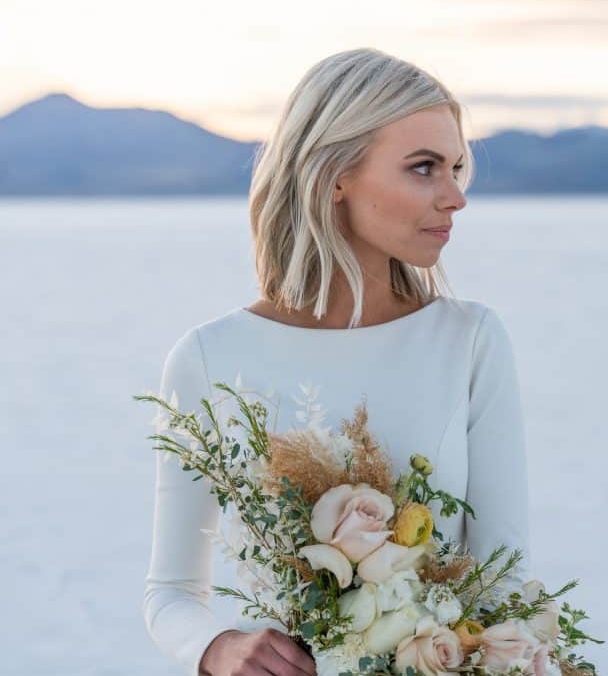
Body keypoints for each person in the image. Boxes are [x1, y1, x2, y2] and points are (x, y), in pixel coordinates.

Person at [142, 48, 532, 676]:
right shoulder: (209, 359)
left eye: (457, 167)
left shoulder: (469, 342)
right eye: (424, 168)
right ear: (334, 176)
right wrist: (218, 648)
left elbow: (503, 583)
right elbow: (171, 595)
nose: (456, 196)